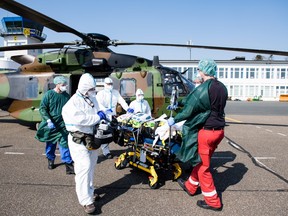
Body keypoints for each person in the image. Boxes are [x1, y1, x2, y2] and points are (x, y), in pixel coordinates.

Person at [167, 59, 228, 211]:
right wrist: (179, 103)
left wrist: (175, 118)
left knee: (203, 168)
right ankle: (191, 186)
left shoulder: (204, 88)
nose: (198, 73)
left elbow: (190, 108)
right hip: (219, 131)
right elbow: (196, 102)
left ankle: (213, 202)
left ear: (203, 71)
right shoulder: (222, 87)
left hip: (207, 132)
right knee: (201, 161)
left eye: (199, 70)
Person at [62, 73, 106, 214]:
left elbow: (100, 109)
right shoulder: (72, 103)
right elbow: (82, 120)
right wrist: (97, 117)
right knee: (83, 167)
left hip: (91, 138)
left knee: (92, 164)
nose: (93, 91)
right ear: (84, 88)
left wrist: (105, 114)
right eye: (91, 88)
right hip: (78, 140)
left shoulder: (91, 98)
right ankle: (85, 201)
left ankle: (90, 192)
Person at [35, 76, 74, 175]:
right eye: (63, 85)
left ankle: (68, 165)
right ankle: (50, 160)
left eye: (65, 84)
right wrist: (48, 120)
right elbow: (43, 108)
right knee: (51, 144)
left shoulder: (66, 96)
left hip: (62, 124)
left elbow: (70, 109)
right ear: (57, 84)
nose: (65, 86)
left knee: (64, 144)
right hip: (51, 124)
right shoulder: (49, 95)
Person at [96, 77, 131, 159]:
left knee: (116, 132)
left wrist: (127, 108)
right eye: (108, 84)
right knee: (105, 133)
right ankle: (106, 152)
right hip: (104, 116)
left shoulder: (115, 93)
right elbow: (98, 104)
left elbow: (122, 101)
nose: (110, 86)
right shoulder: (100, 94)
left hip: (113, 116)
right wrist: (104, 109)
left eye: (111, 84)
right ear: (104, 84)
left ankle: (119, 143)